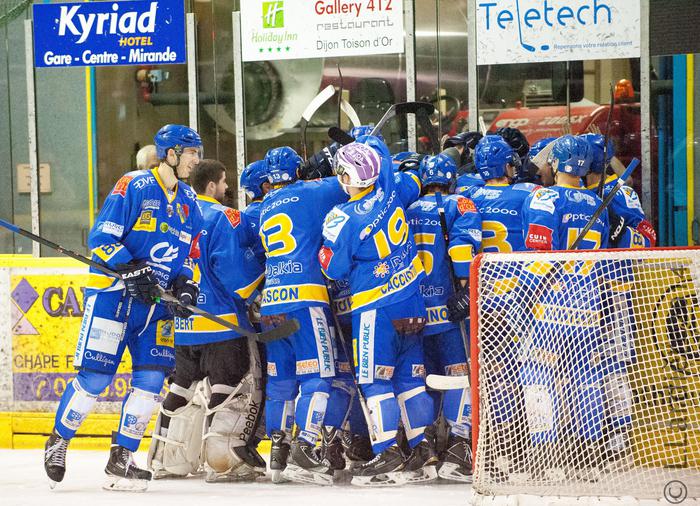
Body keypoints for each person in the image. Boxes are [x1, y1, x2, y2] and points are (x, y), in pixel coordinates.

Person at [43, 124, 204, 491]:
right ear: (171, 154)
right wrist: (130, 268)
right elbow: (101, 237)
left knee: (150, 382)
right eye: (191, 153)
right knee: (96, 380)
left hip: (156, 306)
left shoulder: (190, 201)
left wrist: (186, 285)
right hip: (113, 296)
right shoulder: (134, 184)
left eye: (197, 153)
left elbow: (188, 255)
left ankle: (122, 458)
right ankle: (59, 440)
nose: (196, 160)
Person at [319, 139, 436, 487]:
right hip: (412, 300)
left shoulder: (342, 217)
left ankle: (388, 454)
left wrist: (324, 254)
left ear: (346, 177)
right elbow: (407, 175)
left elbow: (333, 269)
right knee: (410, 379)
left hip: (376, 306)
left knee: (374, 380)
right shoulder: (389, 190)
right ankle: (422, 450)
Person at [147, 159, 266, 483]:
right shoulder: (223, 216)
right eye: (224, 182)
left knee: (182, 388)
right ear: (212, 185)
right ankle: (224, 461)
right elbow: (234, 272)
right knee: (231, 389)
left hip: (184, 325)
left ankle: (167, 460)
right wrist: (257, 293)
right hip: (222, 324)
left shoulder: (174, 214)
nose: (226, 189)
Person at [257, 146, 351, 485]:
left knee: (281, 382)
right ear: (298, 171)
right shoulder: (313, 192)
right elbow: (352, 180)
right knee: (319, 377)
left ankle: (278, 452)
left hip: (272, 302)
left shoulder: (265, 204)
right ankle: (307, 446)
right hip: (306, 298)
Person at [519, 134, 610, 480]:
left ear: (556, 163)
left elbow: (540, 255)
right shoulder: (598, 204)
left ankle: (545, 454)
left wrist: (523, 295)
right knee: (585, 378)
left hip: (550, 306)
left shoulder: (545, 197)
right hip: (588, 307)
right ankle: (589, 455)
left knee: (537, 375)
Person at [406, 153, 482, 482]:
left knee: (419, 379)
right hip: (449, 311)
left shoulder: (406, 209)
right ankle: (457, 448)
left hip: (414, 312)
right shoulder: (459, 204)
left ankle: (423, 447)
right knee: (458, 377)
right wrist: (466, 287)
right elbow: (462, 249)